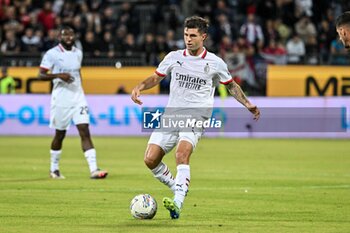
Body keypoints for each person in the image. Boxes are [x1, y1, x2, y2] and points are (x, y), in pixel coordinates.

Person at [131, 16, 260, 219]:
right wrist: (140, 86)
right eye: (185, 35)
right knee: (150, 159)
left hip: (196, 116)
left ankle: (177, 203)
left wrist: (247, 104)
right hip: (171, 115)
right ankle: (177, 187)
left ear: (203, 37)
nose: (188, 39)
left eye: (193, 35)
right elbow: (156, 77)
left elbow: (231, 85)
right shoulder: (173, 57)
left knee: (181, 155)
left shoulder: (215, 63)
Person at [38, 26, 108, 179]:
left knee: (85, 130)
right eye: (65, 35)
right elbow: (41, 75)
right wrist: (58, 75)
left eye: (71, 34)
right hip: (61, 99)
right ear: (59, 37)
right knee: (60, 134)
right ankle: (54, 169)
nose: (69, 37)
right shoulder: (52, 54)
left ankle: (94, 169)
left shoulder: (78, 53)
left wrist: (80, 88)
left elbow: (78, 72)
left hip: (78, 98)